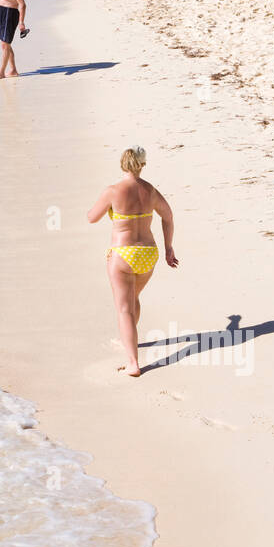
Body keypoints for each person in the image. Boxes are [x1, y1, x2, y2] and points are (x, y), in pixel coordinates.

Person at [86, 146, 178, 377]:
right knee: (133, 298)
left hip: (123, 254)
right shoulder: (151, 191)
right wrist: (169, 247)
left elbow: (91, 218)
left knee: (124, 308)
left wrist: (108, 208)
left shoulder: (113, 191)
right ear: (142, 164)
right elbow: (168, 216)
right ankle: (128, 340)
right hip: (148, 253)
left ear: (122, 164)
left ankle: (133, 362)